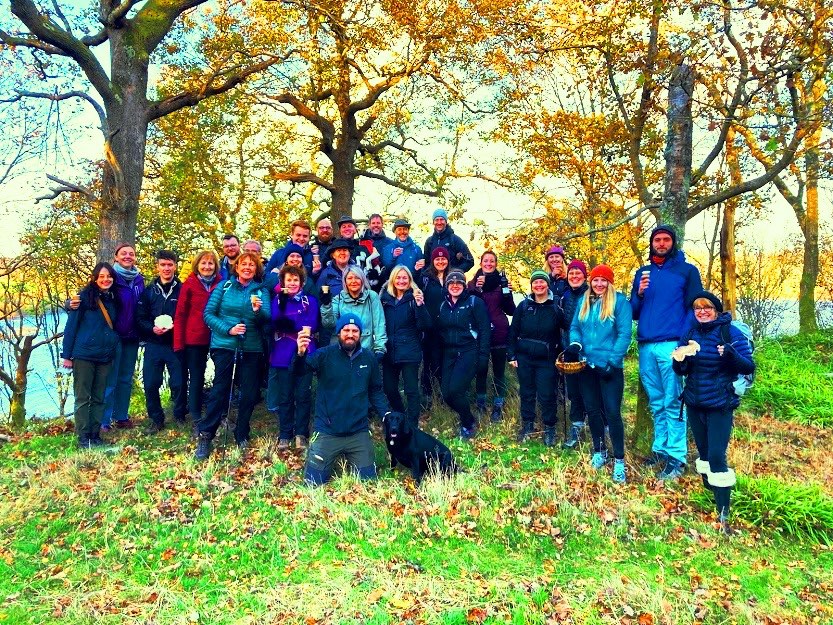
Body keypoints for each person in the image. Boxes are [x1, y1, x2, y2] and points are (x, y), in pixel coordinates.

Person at [672, 291, 754, 534]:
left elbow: (748, 365)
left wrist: (730, 354)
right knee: (705, 454)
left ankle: (723, 512)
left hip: (720, 403)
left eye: (707, 307)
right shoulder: (690, 334)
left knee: (717, 455)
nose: (702, 312)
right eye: (698, 308)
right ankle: (712, 493)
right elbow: (683, 370)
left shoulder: (730, 333)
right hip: (695, 402)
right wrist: (679, 360)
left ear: (716, 310)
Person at [630, 224, 703, 480]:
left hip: (671, 344)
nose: (661, 244)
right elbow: (634, 312)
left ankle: (677, 457)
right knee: (656, 402)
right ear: (651, 244)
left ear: (673, 243)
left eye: (665, 240)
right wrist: (639, 293)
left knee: (674, 403)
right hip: (646, 345)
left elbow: (695, 309)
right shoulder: (643, 272)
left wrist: (682, 342)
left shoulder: (687, 271)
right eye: (657, 240)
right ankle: (660, 450)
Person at [294, 314, 391, 485]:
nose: (350, 334)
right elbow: (299, 373)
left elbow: (375, 391)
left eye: (355, 331)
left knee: (368, 482)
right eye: (346, 330)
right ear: (339, 333)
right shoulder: (324, 355)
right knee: (312, 483)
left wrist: (386, 415)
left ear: (360, 334)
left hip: (357, 432)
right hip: (327, 431)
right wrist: (300, 354)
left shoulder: (369, 358)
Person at [195, 251, 271, 459]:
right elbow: (208, 314)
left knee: (248, 393)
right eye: (243, 264)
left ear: (256, 269)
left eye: (251, 265)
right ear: (236, 267)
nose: (247, 267)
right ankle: (206, 434)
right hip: (225, 345)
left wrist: (258, 311)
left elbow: (266, 319)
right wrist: (228, 329)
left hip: (251, 347)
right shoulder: (224, 286)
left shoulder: (261, 290)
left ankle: (241, 433)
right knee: (220, 390)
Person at [567, 264, 632, 483]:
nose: (599, 284)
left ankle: (619, 460)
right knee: (593, 410)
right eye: (595, 280)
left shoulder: (620, 302)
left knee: (612, 412)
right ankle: (599, 450)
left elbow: (624, 334)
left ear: (610, 282)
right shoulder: (584, 301)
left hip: (610, 368)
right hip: (587, 365)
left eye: (604, 280)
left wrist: (612, 362)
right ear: (591, 281)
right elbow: (575, 326)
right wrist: (575, 344)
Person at [61, 263, 120, 448]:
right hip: (84, 355)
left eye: (108, 276)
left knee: (99, 397)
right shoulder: (83, 297)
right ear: (95, 278)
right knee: (82, 397)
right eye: (101, 276)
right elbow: (71, 327)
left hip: (105, 356)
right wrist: (67, 355)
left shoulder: (113, 298)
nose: (105, 279)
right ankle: (83, 437)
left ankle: (95, 436)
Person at [508, 270, 563, 446]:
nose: (538, 285)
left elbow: (567, 330)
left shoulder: (555, 308)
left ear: (548, 285)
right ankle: (528, 425)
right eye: (535, 283)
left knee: (547, 394)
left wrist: (564, 353)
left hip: (547, 359)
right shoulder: (523, 307)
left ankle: (549, 428)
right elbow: (513, 332)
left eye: (542, 282)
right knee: (527, 393)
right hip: (524, 357)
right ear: (531, 286)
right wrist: (511, 354)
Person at [268, 264, 319, 450]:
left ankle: (301, 434)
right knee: (285, 395)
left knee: (303, 394)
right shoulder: (278, 300)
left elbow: (311, 324)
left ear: (302, 282)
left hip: (305, 350)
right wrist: (291, 322)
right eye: (288, 280)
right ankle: (284, 434)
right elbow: (275, 320)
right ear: (282, 282)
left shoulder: (309, 301)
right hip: (282, 352)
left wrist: (290, 324)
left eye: (295, 280)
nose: (292, 283)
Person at [437, 270, 491, 439]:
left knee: (456, 390)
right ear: (447, 286)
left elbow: (484, 330)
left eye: (458, 283)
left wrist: (483, 356)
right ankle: (469, 418)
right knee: (446, 394)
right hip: (449, 353)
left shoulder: (474, 302)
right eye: (451, 283)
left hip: (468, 351)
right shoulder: (443, 305)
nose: (455, 286)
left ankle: (468, 424)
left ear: (463, 285)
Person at [137, 250, 185, 433]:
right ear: (157, 266)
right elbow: (140, 318)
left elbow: (187, 316)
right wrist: (151, 329)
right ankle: (156, 419)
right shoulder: (148, 292)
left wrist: (177, 328)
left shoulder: (182, 290)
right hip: (154, 343)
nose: (166, 268)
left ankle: (180, 415)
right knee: (150, 383)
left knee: (179, 383)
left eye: (170, 265)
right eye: (163, 265)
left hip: (175, 344)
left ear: (175, 266)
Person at [173, 250, 221, 429]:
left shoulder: (221, 283)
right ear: (197, 265)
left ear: (215, 266)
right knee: (196, 376)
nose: (207, 267)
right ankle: (194, 412)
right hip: (194, 338)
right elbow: (180, 314)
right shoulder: (190, 284)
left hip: (218, 336)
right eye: (204, 263)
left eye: (210, 263)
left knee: (220, 376)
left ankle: (218, 411)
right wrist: (178, 343)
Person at [381, 266, 432, 426]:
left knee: (411, 390)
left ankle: (412, 423)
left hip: (410, 350)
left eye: (405, 278)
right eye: (398, 278)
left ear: (410, 281)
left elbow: (425, 325)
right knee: (390, 389)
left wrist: (420, 305)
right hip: (389, 350)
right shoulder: (385, 299)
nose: (401, 281)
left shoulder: (414, 298)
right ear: (393, 280)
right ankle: (401, 416)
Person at [468, 251, 516, 422]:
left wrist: (507, 293)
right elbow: (469, 307)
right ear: (481, 263)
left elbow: (511, 310)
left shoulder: (502, 283)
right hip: (480, 333)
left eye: (492, 261)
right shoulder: (472, 284)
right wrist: (478, 289)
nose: (489, 263)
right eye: (485, 261)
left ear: (496, 264)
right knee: (481, 368)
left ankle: (498, 405)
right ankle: (480, 404)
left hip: (499, 332)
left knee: (498, 371)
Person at [102, 242, 145, 430]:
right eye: (124, 253)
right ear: (116, 257)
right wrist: (71, 303)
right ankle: (104, 420)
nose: (128, 256)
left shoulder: (139, 279)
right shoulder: (110, 277)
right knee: (110, 379)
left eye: (131, 254)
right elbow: (91, 295)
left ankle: (121, 416)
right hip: (114, 336)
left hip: (133, 336)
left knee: (126, 378)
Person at [320, 265, 387, 359]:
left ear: (362, 280)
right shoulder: (338, 299)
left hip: (366, 351)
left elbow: (379, 324)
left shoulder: (372, 297)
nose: (353, 281)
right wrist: (327, 305)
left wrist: (380, 349)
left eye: (357, 278)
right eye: (350, 278)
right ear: (345, 281)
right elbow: (329, 324)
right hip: (343, 352)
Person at [560, 259, 590, 448]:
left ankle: (600, 430)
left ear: (585, 276)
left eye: (578, 273)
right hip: (569, 351)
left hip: (589, 351)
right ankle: (577, 428)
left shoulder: (592, 295)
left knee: (592, 391)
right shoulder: (565, 296)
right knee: (574, 391)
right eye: (571, 273)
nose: (574, 276)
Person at [416, 247, 451, 406]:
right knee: (430, 362)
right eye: (437, 259)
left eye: (443, 259)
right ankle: (428, 395)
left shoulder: (453, 277)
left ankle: (446, 395)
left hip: (449, 327)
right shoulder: (425, 278)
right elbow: (416, 294)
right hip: (429, 328)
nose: (441, 261)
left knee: (445, 362)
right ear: (432, 260)